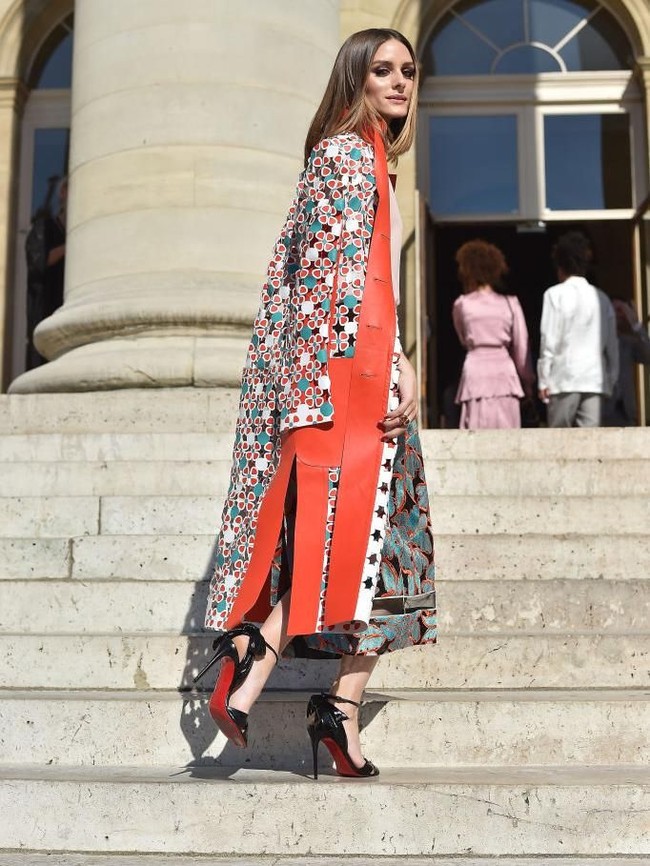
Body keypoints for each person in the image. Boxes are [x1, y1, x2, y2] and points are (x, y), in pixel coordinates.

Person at [196, 29, 436, 779]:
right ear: (354, 80)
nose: (399, 82)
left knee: (379, 549)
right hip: (344, 386)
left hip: (353, 376)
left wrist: (397, 361)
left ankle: (282, 680)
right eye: (381, 71)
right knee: (384, 546)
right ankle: (297, 683)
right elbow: (328, 288)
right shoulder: (344, 156)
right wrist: (372, 381)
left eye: (407, 70)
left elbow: (356, 282)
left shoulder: (365, 157)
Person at [538, 232, 618, 427]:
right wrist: (611, 379)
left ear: (560, 265)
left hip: (563, 378)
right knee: (591, 447)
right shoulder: (602, 298)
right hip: (594, 380)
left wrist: (543, 379)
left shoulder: (554, 295)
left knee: (558, 444)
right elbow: (611, 344)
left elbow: (549, 339)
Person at [452, 240, 534, 429]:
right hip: (505, 375)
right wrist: (527, 381)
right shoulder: (510, 303)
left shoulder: (462, 304)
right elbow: (521, 347)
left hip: (475, 373)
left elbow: (463, 339)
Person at [24, 175, 67, 369]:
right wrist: (69, 245)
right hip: (47, 306)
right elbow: (38, 262)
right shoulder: (45, 227)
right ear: (63, 193)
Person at [603, 299, 650, 426]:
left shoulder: (628, 342)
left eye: (622, 311)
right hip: (602, 410)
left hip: (626, 410)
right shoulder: (596, 341)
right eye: (615, 310)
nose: (618, 315)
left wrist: (636, 324)